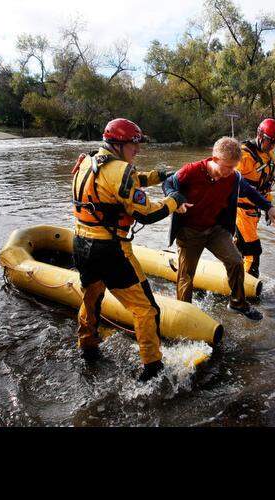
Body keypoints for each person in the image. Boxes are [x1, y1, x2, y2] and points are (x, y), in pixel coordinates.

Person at [71, 117, 188, 382]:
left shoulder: (86, 162)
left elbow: (123, 184)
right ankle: (152, 367)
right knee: (146, 310)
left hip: (81, 244)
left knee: (92, 299)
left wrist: (159, 176)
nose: (138, 149)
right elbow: (145, 213)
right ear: (118, 144)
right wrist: (173, 201)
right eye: (134, 144)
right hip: (111, 250)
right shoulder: (120, 170)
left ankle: (87, 347)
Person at [162, 136, 275, 321]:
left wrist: (269, 207)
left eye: (234, 167)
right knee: (186, 276)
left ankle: (238, 302)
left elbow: (249, 191)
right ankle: (184, 315)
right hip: (190, 232)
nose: (233, 171)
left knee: (236, 261)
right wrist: (176, 199)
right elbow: (168, 183)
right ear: (215, 160)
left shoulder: (232, 177)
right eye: (229, 167)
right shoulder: (191, 171)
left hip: (215, 230)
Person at [236, 119, 275, 280]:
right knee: (253, 251)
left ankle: (234, 275)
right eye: (270, 142)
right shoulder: (243, 156)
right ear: (259, 135)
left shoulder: (269, 157)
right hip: (240, 211)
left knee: (240, 246)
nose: (272, 146)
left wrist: (268, 208)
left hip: (254, 211)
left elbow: (266, 187)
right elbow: (230, 182)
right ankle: (244, 293)